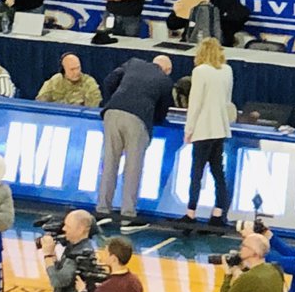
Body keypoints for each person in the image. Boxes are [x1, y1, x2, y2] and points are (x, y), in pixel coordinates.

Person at [97, 55, 174, 231]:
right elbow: (162, 111)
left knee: (109, 163)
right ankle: (128, 217)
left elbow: (109, 80)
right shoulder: (165, 80)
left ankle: (102, 212)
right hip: (137, 118)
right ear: (167, 70)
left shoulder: (133, 62)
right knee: (133, 168)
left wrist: (112, 100)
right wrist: (153, 120)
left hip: (112, 112)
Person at [182, 37, 234, 226]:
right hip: (220, 127)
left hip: (203, 128)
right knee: (217, 171)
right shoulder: (227, 70)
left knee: (196, 173)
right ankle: (218, 213)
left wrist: (189, 129)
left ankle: (190, 213)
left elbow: (195, 103)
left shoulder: (200, 71)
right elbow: (228, 100)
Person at [36, 53, 102, 106]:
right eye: (72, 69)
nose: (76, 72)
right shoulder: (55, 80)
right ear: (63, 70)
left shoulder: (89, 83)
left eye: (78, 68)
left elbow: (92, 109)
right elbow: (40, 102)